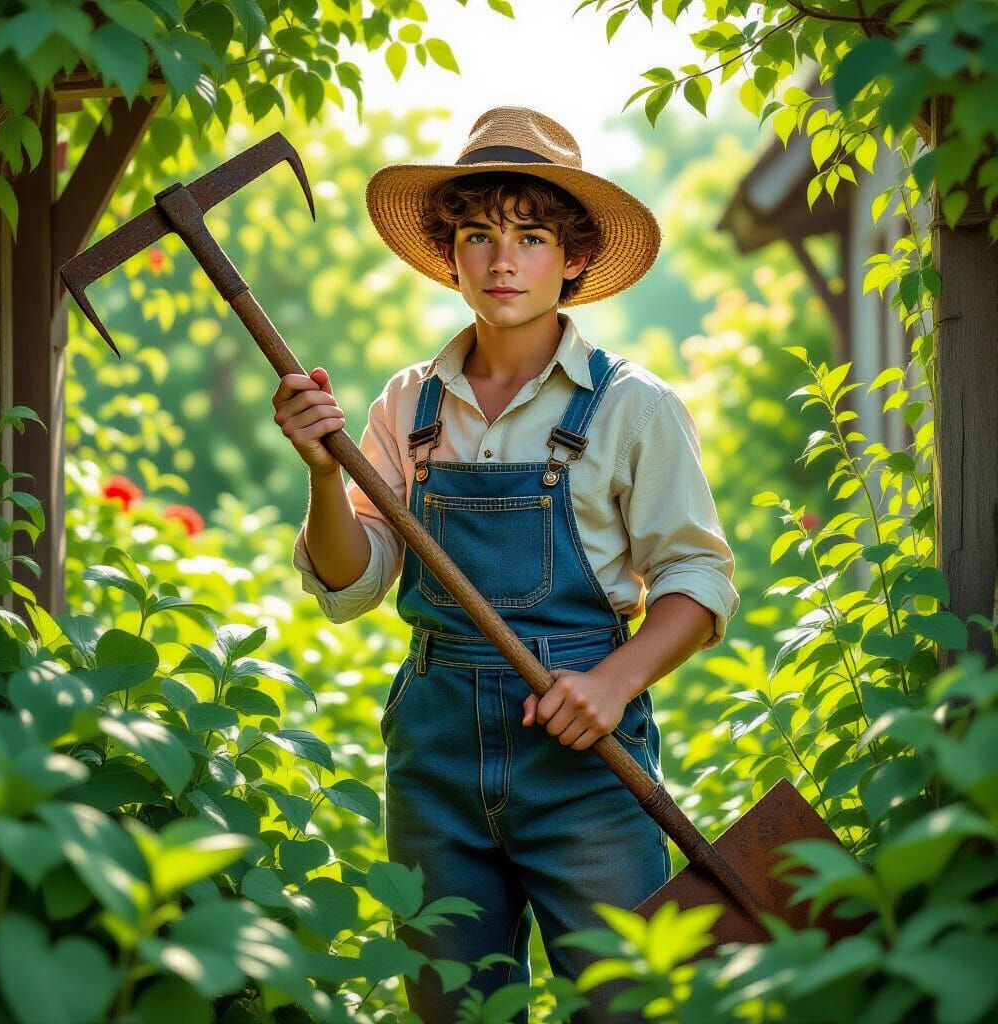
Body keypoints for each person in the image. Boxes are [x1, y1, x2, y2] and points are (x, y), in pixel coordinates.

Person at [272, 106, 740, 1022]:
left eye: (530, 237)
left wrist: (615, 681)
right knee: (454, 1008)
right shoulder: (409, 404)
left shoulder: (632, 407)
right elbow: (353, 581)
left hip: (585, 767)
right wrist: (325, 476)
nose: (501, 261)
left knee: (627, 1004)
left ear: (572, 258)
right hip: (436, 761)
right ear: (449, 253)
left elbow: (697, 580)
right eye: (479, 235)